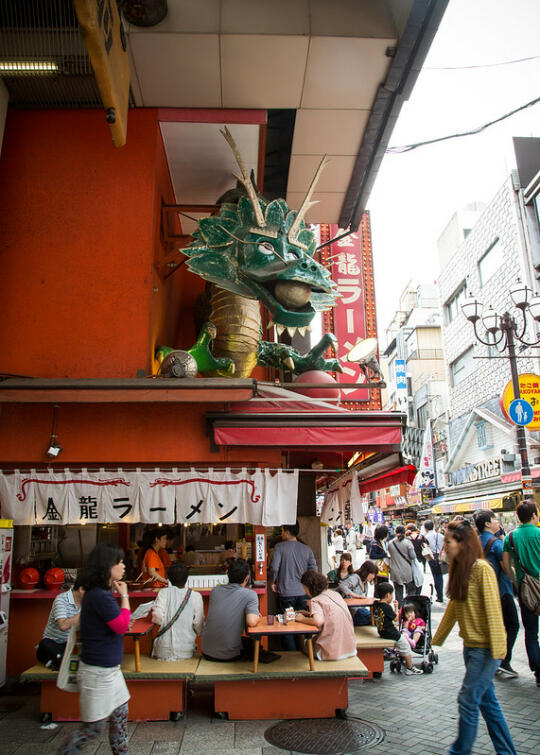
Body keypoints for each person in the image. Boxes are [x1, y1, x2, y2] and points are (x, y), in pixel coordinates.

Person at [432, 520, 516, 755]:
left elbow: (493, 611)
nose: (445, 547)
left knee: (467, 700)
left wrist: (499, 652)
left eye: (448, 542)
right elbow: (453, 609)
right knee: (488, 705)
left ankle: (459, 751)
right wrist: (435, 641)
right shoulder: (460, 569)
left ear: (463, 543)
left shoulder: (481, 569)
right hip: (471, 649)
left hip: (485, 650)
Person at [59, 544, 131, 755]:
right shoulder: (100, 595)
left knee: (120, 715)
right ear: (108, 566)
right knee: (93, 728)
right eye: (120, 562)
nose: (123, 566)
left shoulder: (100, 593)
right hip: (98, 672)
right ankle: (66, 751)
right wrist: (125, 596)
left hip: (109, 669)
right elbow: (121, 626)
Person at [474, 510, 519, 678]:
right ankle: (503, 660)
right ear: (487, 523)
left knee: (494, 626)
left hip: (485, 593)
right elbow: (507, 568)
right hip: (502, 591)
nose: (497, 521)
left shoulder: (475, 542)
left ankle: (494, 660)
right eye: (494, 519)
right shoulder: (497, 544)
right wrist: (517, 583)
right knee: (512, 624)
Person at [502, 498, 540, 688]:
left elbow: (506, 566)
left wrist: (517, 580)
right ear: (534, 515)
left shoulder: (510, 537)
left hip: (526, 591)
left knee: (531, 632)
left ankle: (538, 672)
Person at [201, 558, 262, 662]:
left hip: (206, 652)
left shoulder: (215, 591)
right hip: (228, 656)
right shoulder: (250, 594)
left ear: (227, 575)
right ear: (247, 579)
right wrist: (258, 617)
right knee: (256, 647)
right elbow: (251, 622)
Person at [270, 522, 317, 650]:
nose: (281, 534)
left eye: (282, 531)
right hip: (303, 593)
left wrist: (272, 582)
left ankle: (291, 656)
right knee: (301, 624)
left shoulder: (280, 547)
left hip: (286, 592)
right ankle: (303, 652)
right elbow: (314, 569)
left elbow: (274, 567)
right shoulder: (307, 549)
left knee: (287, 625)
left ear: (286, 532)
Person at [296, 570, 356, 661]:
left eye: (305, 588)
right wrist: (308, 614)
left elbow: (318, 621)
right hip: (351, 648)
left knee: (305, 644)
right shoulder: (335, 594)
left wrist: (302, 618)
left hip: (331, 653)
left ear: (309, 587)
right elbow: (329, 613)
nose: (305, 592)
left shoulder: (315, 600)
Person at [151, 562, 204, 661]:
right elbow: (198, 624)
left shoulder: (163, 593)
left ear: (169, 578)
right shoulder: (195, 596)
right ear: (187, 578)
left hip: (162, 651)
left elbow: (157, 617)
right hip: (186, 651)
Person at [373, 582, 422, 674]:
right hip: (392, 633)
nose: (392, 596)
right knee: (406, 647)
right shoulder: (386, 607)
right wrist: (396, 607)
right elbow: (396, 618)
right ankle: (410, 668)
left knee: (401, 647)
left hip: (381, 631)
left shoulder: (376, 604)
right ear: (388, 595)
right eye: (392, 594)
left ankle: (402, 660)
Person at [36, 577, 84, 670]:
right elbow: (63, 625)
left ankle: (57, 661)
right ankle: (57, 661)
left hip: (71, 644)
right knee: (45, 644)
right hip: (53, 644)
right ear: (82, 590)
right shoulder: (61, 599)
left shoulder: (87, 602)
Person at [336, 559, 378, 626]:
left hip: (358, 610)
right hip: (351, 612)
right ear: (366, 572)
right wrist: (355, 595)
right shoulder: (355, 578)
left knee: (375, 616)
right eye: (372, 574)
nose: (373, 576)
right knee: (374, 618)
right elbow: (342, 586)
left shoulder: (365, 583)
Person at [387, 525, 417, 606]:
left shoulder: (390, 543)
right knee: (410, 591)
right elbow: (413, 556)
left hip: (395, 571)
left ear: (395, 532)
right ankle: (409, 607)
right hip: (407, 570)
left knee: (398, 592)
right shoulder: (408, 543)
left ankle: (399, 610)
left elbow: (390, 555)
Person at [424, 519, 445, 602]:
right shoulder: (440, 536)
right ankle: (440, 594)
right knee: (440, 576)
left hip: (431, 557)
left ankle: (439, 595)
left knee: (436, 576)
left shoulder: (426, 537)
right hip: (440, 557)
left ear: (425, 528)